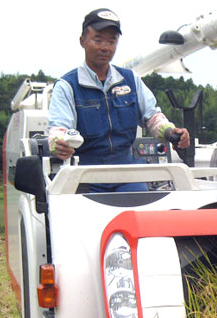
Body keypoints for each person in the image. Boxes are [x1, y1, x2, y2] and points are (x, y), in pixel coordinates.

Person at [48, 8, 190, 189]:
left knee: (142, 212)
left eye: (111, 41)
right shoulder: (67, 86)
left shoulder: (131, 80)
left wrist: (171, 132)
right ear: (82, 41)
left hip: (127, 173)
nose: (105, 47)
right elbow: (59, 129)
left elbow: (153, 117)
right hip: (84, 176)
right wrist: (59, 143)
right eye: (97, 40)